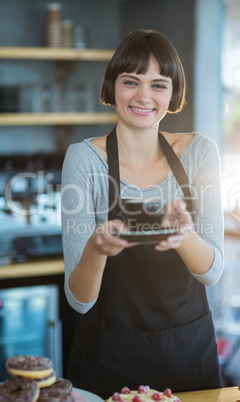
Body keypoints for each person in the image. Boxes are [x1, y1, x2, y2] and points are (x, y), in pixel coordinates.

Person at [61, 28, 224, 398]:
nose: (143, 97)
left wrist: (185, 237)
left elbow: (212, 271)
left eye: (159, 84)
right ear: (112, 86)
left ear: (173, 92)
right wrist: (97, 249)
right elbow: (79, 299)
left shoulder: (200, 153)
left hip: (188, 359)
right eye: (131, 81)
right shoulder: (84, 160)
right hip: (107, 363)